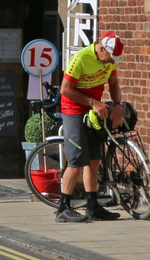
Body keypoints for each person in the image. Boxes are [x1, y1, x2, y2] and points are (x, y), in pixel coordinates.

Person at [53, 34, 127, 223]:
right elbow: (65, 89)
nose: (110, 62)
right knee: (76, 160)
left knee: (94, 160)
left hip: (94, 111)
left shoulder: (109, 60)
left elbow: (113, 83)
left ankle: (92, 206)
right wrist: (93, 102)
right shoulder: (81, 59)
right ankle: (63, 208)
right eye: (110, 57)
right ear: (101, 48)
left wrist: (118, 104)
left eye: (114, 60)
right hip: (74, 110)